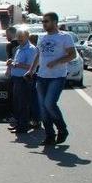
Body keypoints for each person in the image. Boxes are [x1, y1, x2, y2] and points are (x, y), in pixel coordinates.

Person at [27, 12, 76, 145]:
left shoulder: (64, 37)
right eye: (43, 21)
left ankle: (62, 129)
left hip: (57, 76)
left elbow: (72, 55)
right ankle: (49, 135)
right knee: (43, 108)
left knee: (49, 103)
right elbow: (38, 55)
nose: (44, 24)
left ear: (55, 22)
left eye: (46, 21)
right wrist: (31, 70)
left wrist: (57, 62)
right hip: (42, 76)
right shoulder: (42, 37)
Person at [6, 29, 37, 134]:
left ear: (27, 37)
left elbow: (31, 66)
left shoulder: (31, 50)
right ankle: (19, 124)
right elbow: (16, 62)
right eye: (18, 39)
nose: (19, 41)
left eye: (21, 39)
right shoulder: (19, 48)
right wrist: (11, 65)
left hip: (24, 79)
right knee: (17, 103)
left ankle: (23, 126)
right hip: (16, 78)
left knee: (23, 104)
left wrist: (16, 64)